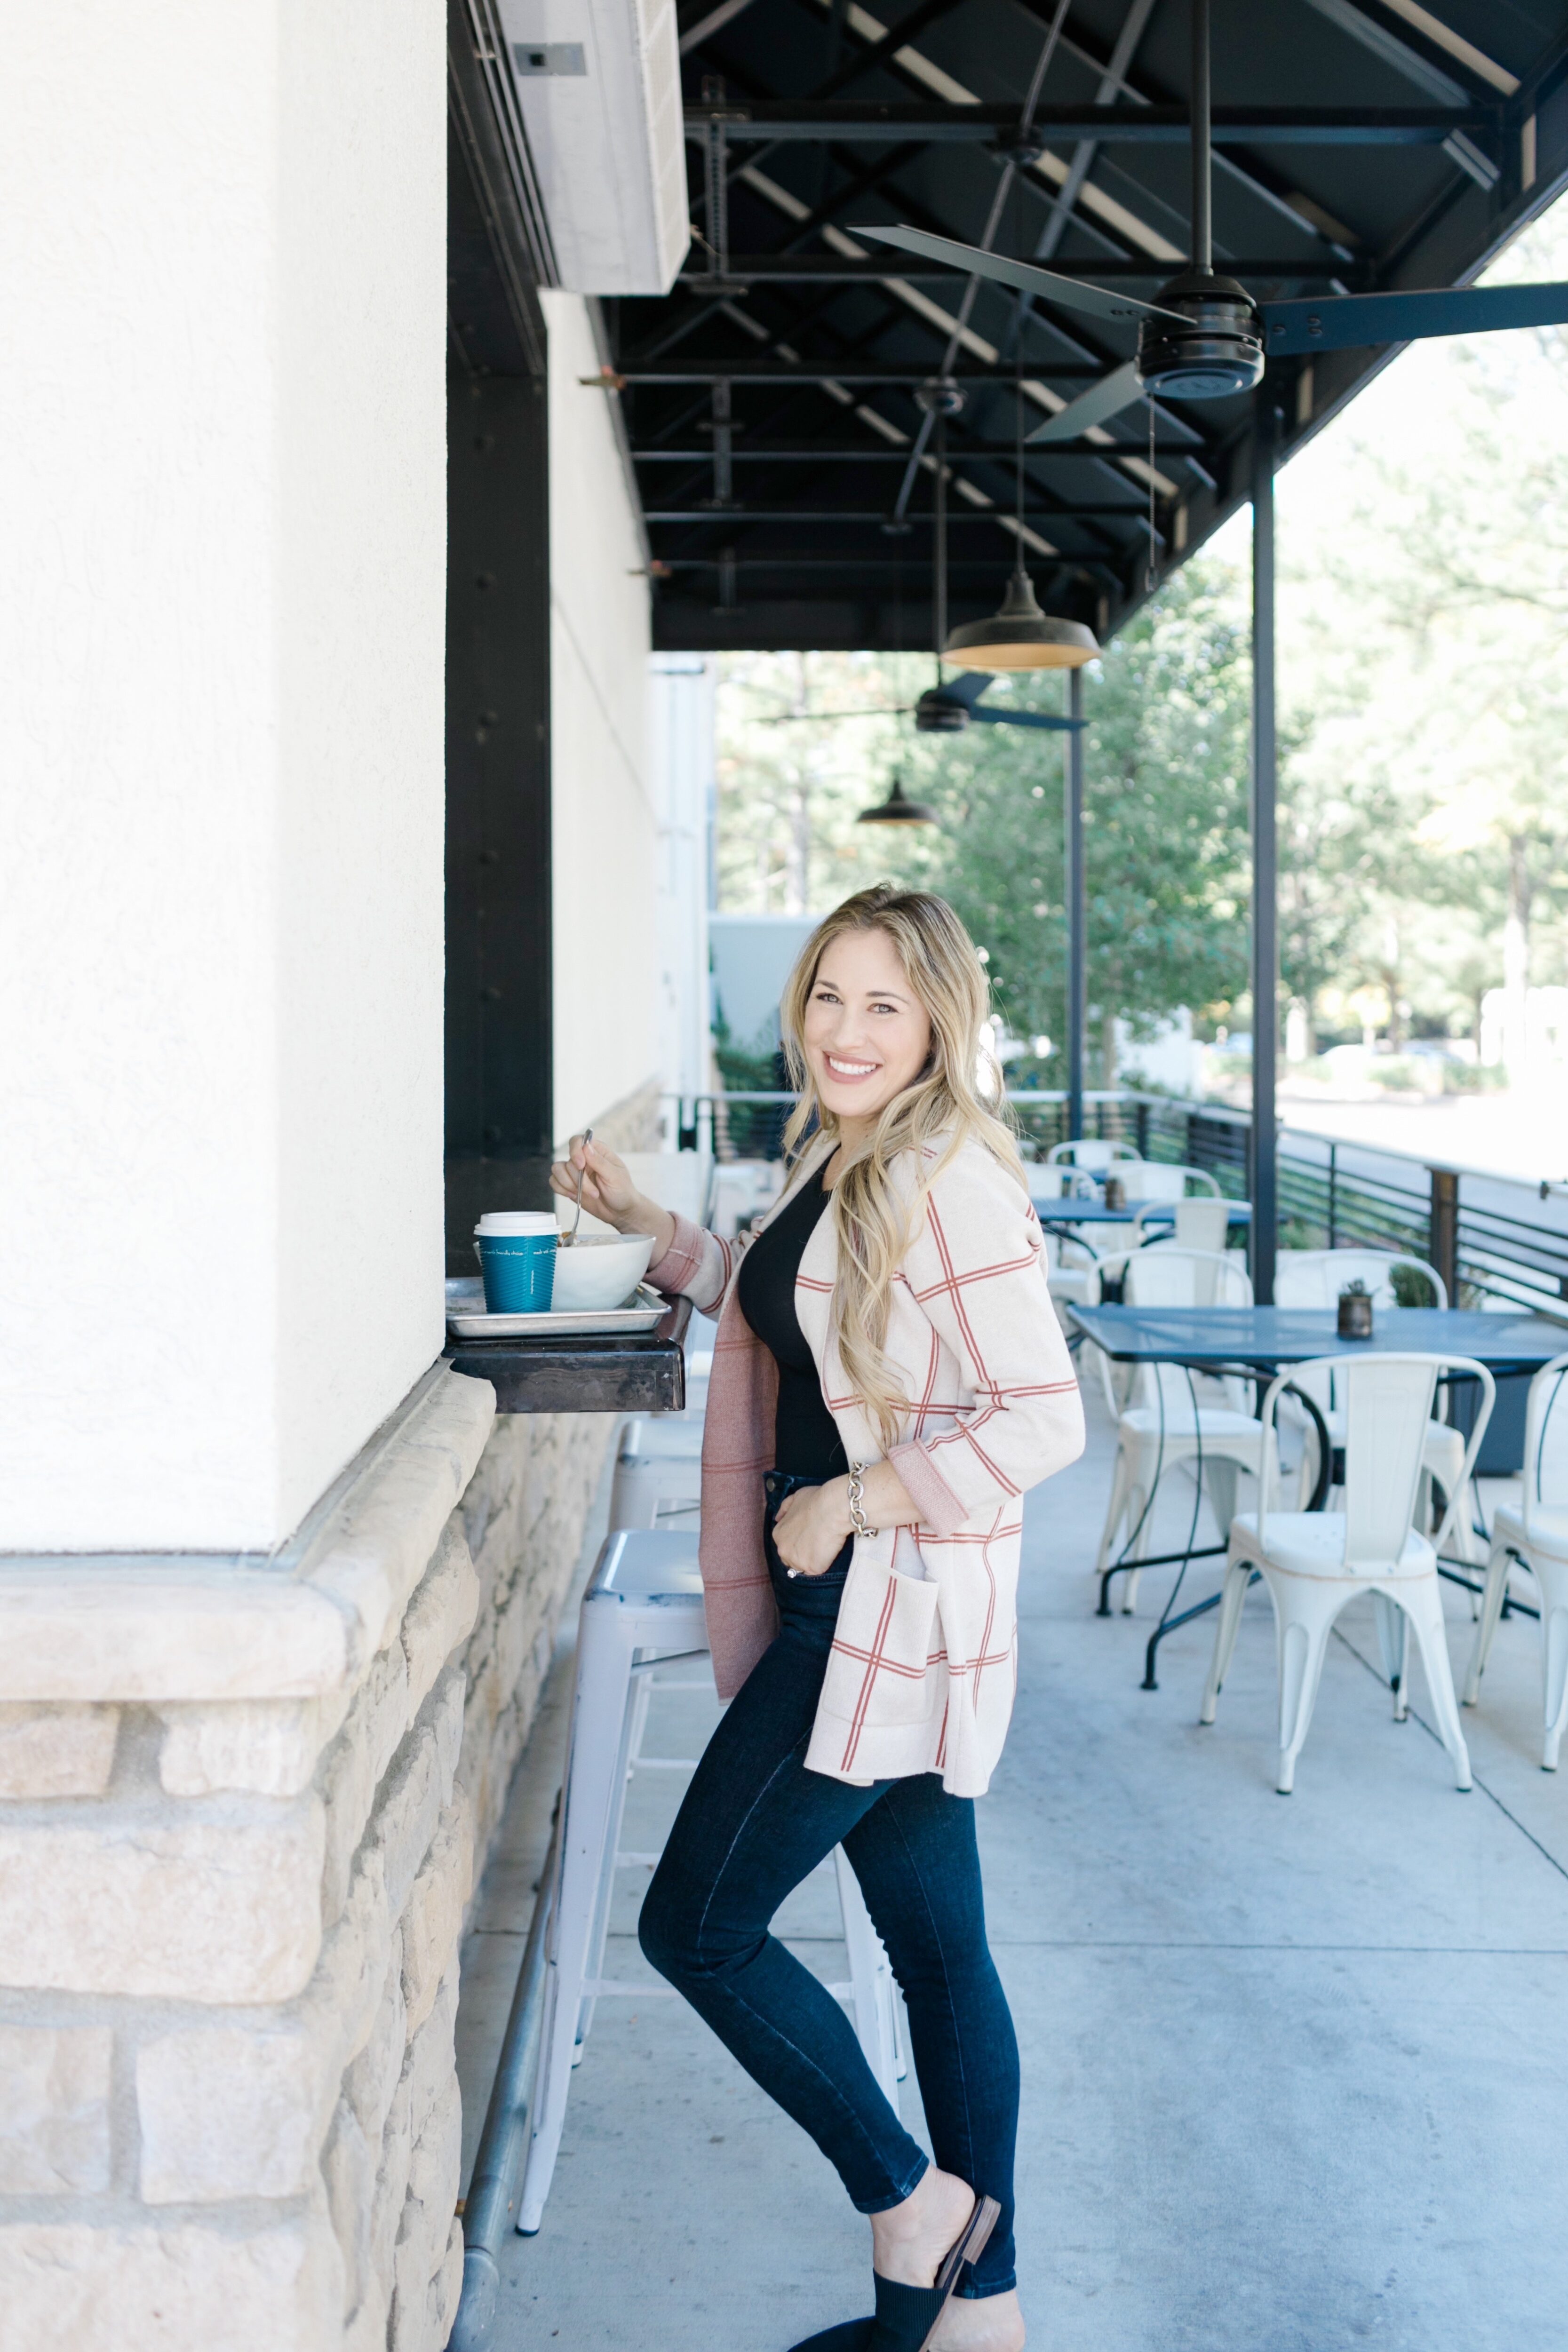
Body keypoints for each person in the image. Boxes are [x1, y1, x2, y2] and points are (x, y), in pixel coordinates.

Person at [549, 885, 1084, 2352]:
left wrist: (856, 1502)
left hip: (875, 1614)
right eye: (829, 997)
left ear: (937, 1027)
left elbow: (1044, 1416)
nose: (846, 1031)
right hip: (854, 1604)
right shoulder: (845, 1155)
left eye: (884, 1006)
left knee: (700, 1928)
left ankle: (914, 2208)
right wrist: (655, 1231)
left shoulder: (949, 1179)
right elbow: (783, 1306)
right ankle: (987, 2322)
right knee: (938, 1955)